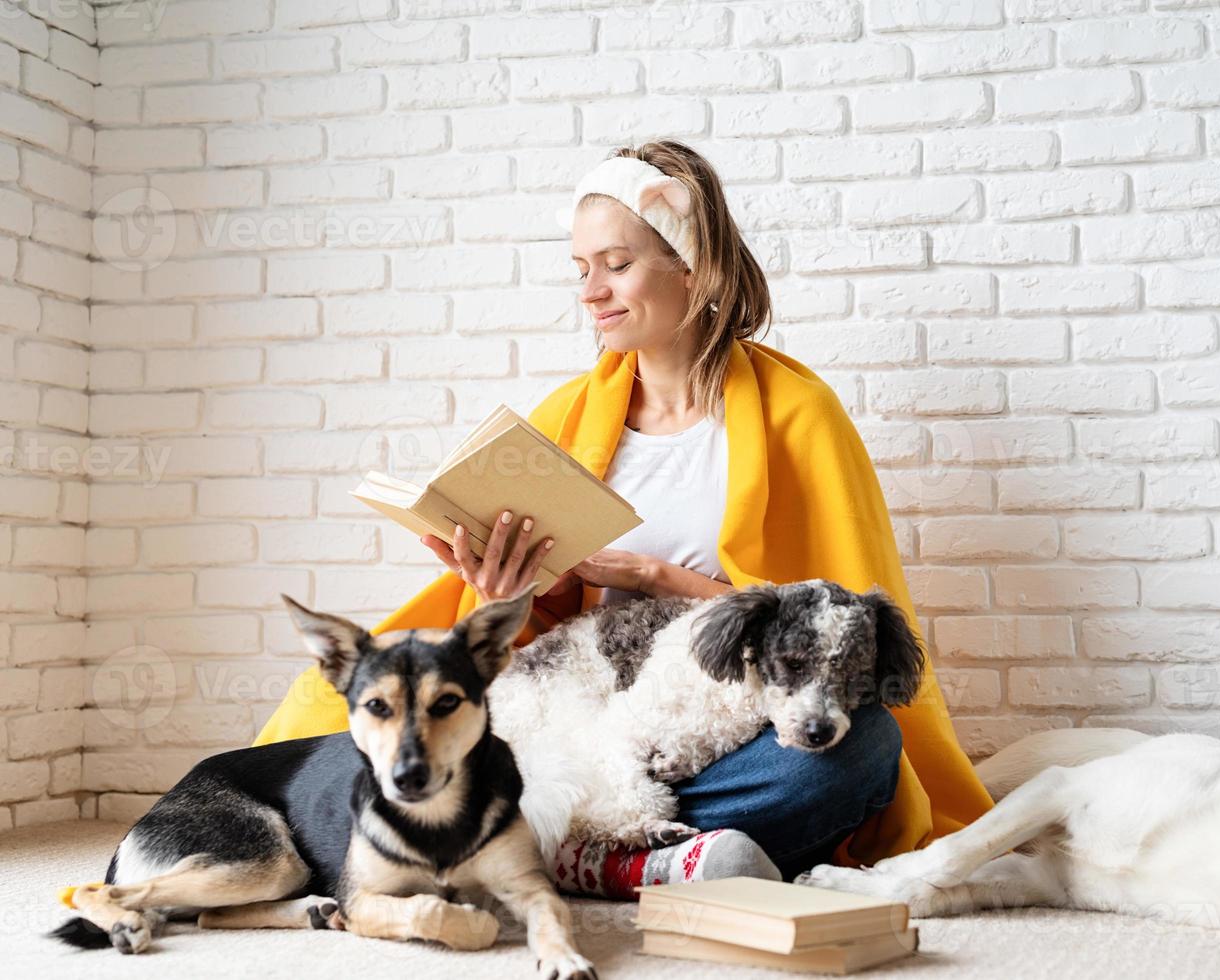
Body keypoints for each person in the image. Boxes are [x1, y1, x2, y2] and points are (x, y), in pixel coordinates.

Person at [253, 140, 996, 897]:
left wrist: (654, 577)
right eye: (580, 270)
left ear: (693, 267)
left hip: (727, 729)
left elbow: (836, 639)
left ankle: (566, 852)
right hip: (577, 726)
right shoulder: (565, 420)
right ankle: (621, 857)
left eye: (615, 264)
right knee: (412, 738)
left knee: (862, 745)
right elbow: (529, 663)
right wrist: (499, 592)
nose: (591, 291)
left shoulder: (800, 417)